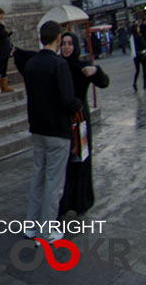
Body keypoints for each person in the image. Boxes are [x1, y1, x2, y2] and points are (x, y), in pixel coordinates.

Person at [13, 20, 81, 243]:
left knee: (38, 178)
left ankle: (31, 226)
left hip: (38, 129)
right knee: (54, 182)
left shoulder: (31, 64)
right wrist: (77, 105)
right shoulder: (59, 65)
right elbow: (66, 100)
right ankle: (47, 230)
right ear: (59, 39)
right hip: (57, 131)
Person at [58, 32, 108, 217]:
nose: (67, 47)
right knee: (65, 164)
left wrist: (96, 71)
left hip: (80, 119)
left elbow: (104, 82)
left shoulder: (83, 66)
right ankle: (64, 202)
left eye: (70, 43)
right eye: (63, 43)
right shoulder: (58, 66)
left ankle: (81, 201)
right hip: (63, 119)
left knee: (82, 159)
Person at [130, 23, 146, 91]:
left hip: (136, 56)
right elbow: (143, 45)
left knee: (138, 70)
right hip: (141, 54)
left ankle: (135, 83)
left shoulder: (132, 37)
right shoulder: (138, 36)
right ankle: (144, 84)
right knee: (144, 70)